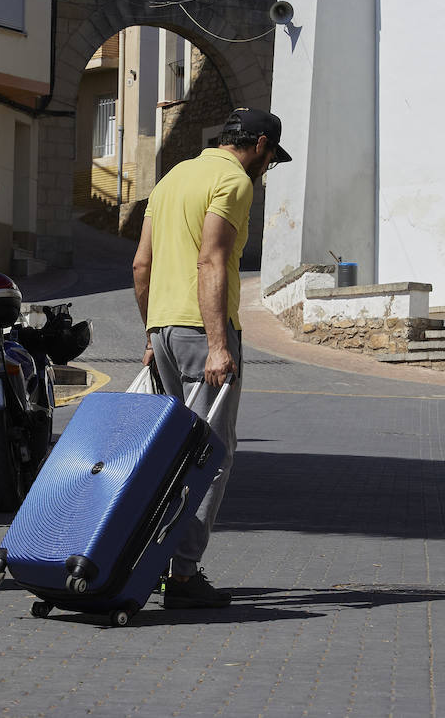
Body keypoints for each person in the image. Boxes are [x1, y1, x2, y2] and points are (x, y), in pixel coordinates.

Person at [132, 106, 291, 609]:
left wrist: (152, 331)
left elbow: (142, 264)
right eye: (270, 160)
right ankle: (181, 573)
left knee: (174, 452)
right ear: (261, 146)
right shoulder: (234, 183)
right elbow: (213, 259)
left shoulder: (173, 177)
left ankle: (152, 557)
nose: (266, 171)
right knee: (211, 457)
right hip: (204, 334)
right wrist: (219, 344)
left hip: (163, 332)